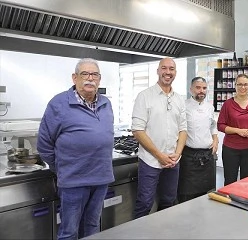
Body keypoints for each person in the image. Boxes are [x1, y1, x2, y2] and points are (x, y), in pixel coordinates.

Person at [37, 58, 115, 240]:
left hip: (101, 178)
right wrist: (63, 168)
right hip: (73, 181)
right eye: (85, 74)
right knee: (69, 231)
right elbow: (44, 144)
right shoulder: (58, 104)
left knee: (92, 226)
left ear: (99, 79)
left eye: (94, 74)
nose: (90, 78)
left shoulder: (106, 103)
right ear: (75, 78)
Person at [132, 57, 187, 218]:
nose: (167, 72)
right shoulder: (144, 96)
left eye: (171, 69)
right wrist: (159, 155)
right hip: (150, 161)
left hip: (173, 161)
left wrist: (177, 153)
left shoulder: (179, 99)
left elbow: (183, 129)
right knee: (145, 203)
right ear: (158, 71)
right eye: (164, 68)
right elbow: (137, 130)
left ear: (175, 72)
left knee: (168, 202)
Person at [177, 77, 218, 203]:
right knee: (187, 195)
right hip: (189, 156)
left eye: (204, 88)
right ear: (191, 89)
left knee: (207, 194)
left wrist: (215, 139)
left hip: (207, 156)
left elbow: (213, 126)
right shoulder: (183, 106)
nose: (201, 91)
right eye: (198, 87)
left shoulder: (209, 107)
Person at [217, 74, 248, 186]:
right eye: (240, 84)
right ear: (235, 86)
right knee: (230, 180)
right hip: (231, 149)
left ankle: (244, 202)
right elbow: (220, 125)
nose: (243, 87)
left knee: (247, 182)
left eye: (245, 84)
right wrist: (238, 131)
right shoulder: (227, 104)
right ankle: (229, 202)